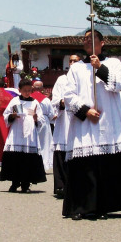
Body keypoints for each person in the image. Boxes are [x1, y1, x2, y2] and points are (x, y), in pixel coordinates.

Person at [62, 29, 121, 220]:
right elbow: (68, 95)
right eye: (85, 40)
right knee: (84, 167)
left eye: (92, 39)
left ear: (102, 43)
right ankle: (81, 207)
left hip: (108, 124)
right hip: (86, 123)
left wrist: (100, 68)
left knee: (106, 166)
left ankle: (103, 206)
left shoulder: (114, 63)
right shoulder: (76, 68)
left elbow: (120, 85)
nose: (88, 42)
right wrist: (85, 110)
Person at [0, 78, 47, 192]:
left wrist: (36, 118)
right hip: (16, 132)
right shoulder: (14, 101)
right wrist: (12, 116)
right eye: (24, 90)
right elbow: (6, 114)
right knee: (15, 158)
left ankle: (26, 183)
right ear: (19, 90)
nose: (27, 92)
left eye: (29, 90)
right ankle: (14, 183)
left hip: (29, 134)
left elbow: (41, 119)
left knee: (28, 159)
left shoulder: (35, 102)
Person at [50, 54, 82, 196]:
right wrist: (62, 102)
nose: (73, 63)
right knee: (61, 152)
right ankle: (61, 185)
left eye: (76, 60)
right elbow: (55, 98)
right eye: (71, 60)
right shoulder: (62, 79)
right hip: (64, 121)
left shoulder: (83, 79)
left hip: (78, 118)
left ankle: (76, 186)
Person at [31, 79, 54, 172]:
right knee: (44, 144)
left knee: (34, 143)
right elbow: (51, 114)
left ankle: (33, 165)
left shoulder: (30, 98)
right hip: (44, 122)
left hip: (32, 121)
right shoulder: (46, 100)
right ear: (42, 89)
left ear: (32, 88)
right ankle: (44, 165)